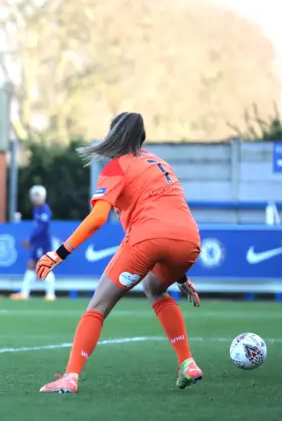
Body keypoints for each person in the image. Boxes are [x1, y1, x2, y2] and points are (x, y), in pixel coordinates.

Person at [35, 112, 203, 393]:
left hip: (146, 239)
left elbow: (99, 218)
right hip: (189, 240)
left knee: (98, 307)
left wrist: (60, 253)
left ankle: (70, 377)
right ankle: (187, 362)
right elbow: (171, 222)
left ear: (113, 135)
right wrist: (181, 277)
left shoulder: (116, 166)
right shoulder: (160, 163)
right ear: (142, 137)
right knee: (155, 287)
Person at [10, 185, 57, 301]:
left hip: (43, 244)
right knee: (31, 265)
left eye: (38, 196)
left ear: (43, 197)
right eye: (33, 196)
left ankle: (50, 294)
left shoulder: (45, 210)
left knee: (44, 266)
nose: (35, 198)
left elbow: (42, 228)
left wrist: (30, 240)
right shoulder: (37, 210)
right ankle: (25, 293)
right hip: (37, 243)